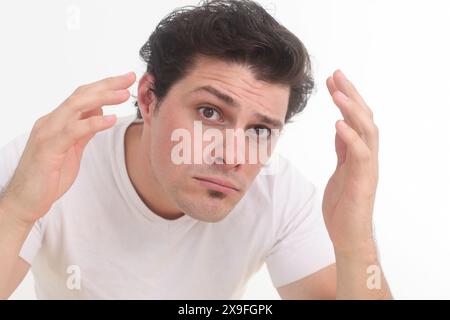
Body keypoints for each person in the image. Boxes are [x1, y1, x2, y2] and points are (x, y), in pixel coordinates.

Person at [0, 0, 391, 299]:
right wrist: (18, 209)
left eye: (259, 129)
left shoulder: (280, 195)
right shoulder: (49, 166)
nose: (234, 154)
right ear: (150, 99)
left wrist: (355, 240)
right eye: (210, 112)